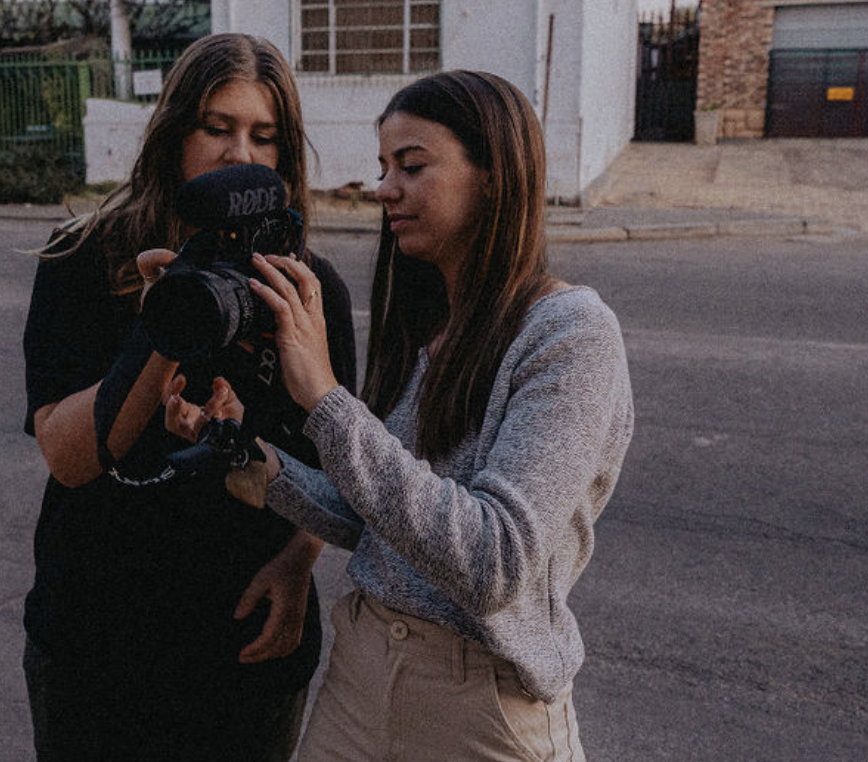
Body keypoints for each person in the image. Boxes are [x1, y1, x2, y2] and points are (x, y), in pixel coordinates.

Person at [170, 70, 634, 760]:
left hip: (479, 707)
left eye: (412, 166)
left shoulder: (569, 332)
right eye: (384, 167)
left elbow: (492, 563)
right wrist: (250, 456)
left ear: (493, 177)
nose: (385, 188)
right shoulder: (429, 327)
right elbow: (383, 523)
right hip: (361, 676)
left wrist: (325, 398)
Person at [20, 33, 356, 761]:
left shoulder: (307, 287)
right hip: (96, 641)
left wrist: (300, 562)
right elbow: (69, 458)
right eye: (218, 127)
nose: (240, 153)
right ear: (175, 133)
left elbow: (343, 463)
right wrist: (167, 323)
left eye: (263, 137)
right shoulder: (82, 258)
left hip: (245, 646)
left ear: (284, 158)